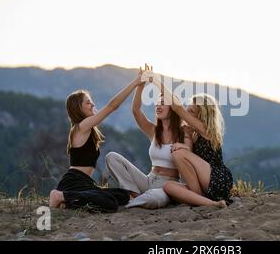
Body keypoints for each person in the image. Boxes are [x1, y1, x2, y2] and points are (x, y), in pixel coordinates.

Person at [49, 68, 148, 213]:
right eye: (88, 103)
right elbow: (112, 106)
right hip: (74, 182)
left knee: (122, 195)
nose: (93, 105)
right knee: (109, 203)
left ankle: (68, 202)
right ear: (79, 108)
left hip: (86, 184)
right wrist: (135, 82)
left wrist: (141, 85)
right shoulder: (81, 127)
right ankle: (60, 195)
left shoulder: (86, 128)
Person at [105, 65, 192, 208]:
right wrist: (141, 83)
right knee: (111, 157)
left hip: (168, 184)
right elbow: (136, 110)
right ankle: (135, 195)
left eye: (163, 103)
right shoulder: (153, 130)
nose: (158, 106)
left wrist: (156, 81)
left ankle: (135, 200)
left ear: (173, 108)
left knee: (154, 198)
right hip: (148, 180)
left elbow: (188, 152)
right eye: (157, 103)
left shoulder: (184, 132)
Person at [150, 73, 233, 208]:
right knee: (168, 186)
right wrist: (187, 137)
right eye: (187, 110)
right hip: (202, 183)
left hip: (217, 179)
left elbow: (177, 108)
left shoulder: (206, 130)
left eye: (191, 112)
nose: (187, 115)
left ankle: (199, 197)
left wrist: (156, 81)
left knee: (177, 152)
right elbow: (188, 150)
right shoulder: (192, 131)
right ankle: (210, 203)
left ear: (202, 116)